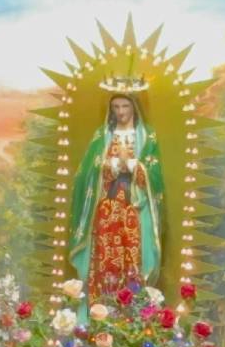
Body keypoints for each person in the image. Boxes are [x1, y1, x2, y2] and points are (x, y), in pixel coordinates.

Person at [69, 91, 164, 302]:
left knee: (132, 256)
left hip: (135, 206)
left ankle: (132, 310)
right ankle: (102, 308)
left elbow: (155, 174)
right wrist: (111, 166)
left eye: (125, 106)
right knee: (105, 255)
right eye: (116, 107)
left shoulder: (147, 136)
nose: (120, 112)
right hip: (107, 206)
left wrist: (131, 165)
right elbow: (86, 173)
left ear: (134, 108)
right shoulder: (103, 135)